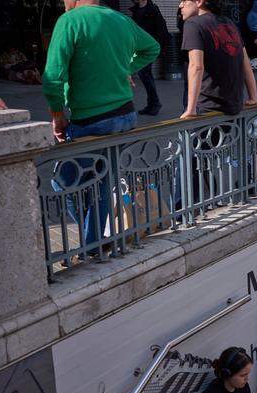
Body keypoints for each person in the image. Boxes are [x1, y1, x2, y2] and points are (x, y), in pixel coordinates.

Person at [42, 0, 160, 251]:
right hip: (125, 115)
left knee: (62, 183)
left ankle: (93, 242)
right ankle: (96, 242)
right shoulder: (121, 19)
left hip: (91, 120)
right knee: (103, 182)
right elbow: (152, 47)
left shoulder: (70, 21)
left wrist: (57, 115)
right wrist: (125, 69)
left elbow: (53, 76)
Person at [180, 0, 257, 118]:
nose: (180, 5)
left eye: (184, 1)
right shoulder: (229, 23)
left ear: (199, 2)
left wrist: (191, 109)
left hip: (206, 107)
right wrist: (253, 97)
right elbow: (245, 62)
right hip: (233, 107)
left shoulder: (193, 24)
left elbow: (196, 67)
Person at [130, 0, 168, 116]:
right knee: (145, 75)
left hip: (149, 48)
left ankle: (154, 103)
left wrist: (158, 48)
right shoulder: (136, 10)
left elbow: (161, 30)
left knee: (144, 73)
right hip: (139, 48)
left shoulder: (153, 10)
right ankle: (152, 104)